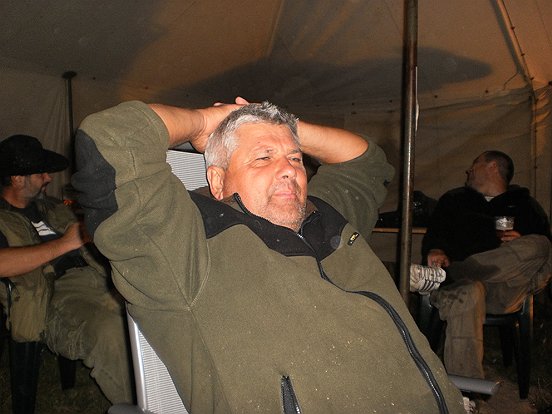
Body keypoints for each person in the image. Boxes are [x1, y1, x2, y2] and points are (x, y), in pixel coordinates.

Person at [72, 98, 466, 413]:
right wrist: (207, 121)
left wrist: (275, 124)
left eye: (295, 158)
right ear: (217, 180)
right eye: (263, 158)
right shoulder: (186, 241)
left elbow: (368, 161)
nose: (288, 170)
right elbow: (112, 140)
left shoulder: (324, 212)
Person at [0, 135, 133, 404]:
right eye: (41, 173)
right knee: (110, 332)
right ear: (17, 179)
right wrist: (64, 244)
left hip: (95, 276)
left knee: (148, 314)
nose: (48, 178)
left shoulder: (51, 207)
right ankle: (140, 405)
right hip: (51, 292)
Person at [422, 150, 552, 379]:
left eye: (475, 163)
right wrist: (436, 249)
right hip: (463, 288)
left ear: (492, 167)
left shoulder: (525, 204)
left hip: (506, 289)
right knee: (468, 293)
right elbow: (434, 236)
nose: (469, 170)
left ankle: (456, 272)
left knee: (541, 244)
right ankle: (467, 390)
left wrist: (521, 240)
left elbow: (543, 252)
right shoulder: (454, 200)